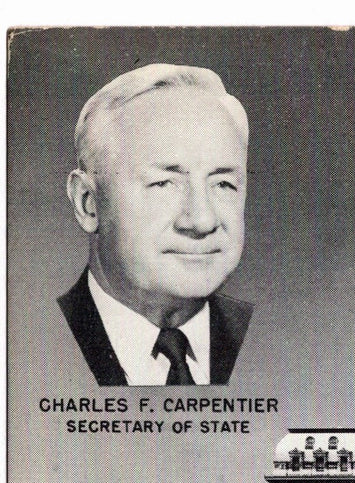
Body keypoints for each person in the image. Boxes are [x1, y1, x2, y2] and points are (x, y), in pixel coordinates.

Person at [59, 64, 252, 385]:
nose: (202, 220)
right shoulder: (31, 344)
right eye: (164, 184)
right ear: (88, 203)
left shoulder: (284, 342)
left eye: (223, 185)